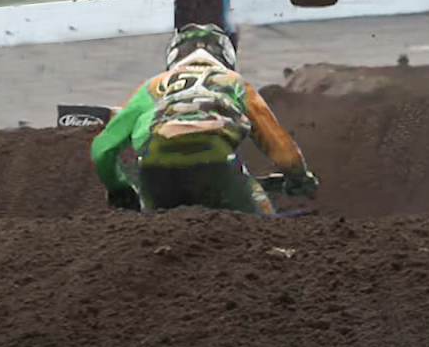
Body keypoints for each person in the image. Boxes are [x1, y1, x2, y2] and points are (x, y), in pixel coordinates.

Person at [89, 23, 319, 215]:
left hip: (155, 164)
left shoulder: (152, 86)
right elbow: (280, 148)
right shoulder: (234, 82)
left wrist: (118, 188)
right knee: (261, 224)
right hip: (216, 159)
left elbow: (102, 149)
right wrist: (298, 178)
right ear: (226, 56)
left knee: (151, 225)